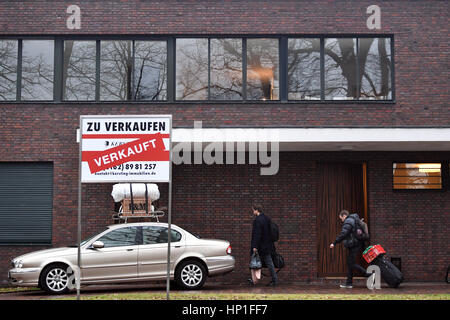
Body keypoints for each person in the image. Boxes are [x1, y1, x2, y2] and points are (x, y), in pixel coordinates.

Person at [330, 209, 370, 288]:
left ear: (344, 215)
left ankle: (367, 274)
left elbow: (344, 234)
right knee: (350, 264)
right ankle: (349, 283)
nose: (341, 220)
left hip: (354, 245)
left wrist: (334, 243)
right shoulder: (353, 220)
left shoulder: (348, 221)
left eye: (341, 218)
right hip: (356, 244)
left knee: (351, 263)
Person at [249, 203, 278, 286]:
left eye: (253, 210)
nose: (253, 212)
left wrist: (254, 246)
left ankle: (274, 280)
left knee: (256, 262)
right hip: (268, 245)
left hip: (262, 246)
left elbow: (257, 234)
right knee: (264, 262)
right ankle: (254, 279)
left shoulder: (258, 220)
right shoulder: (267, 218)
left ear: (256, 210)